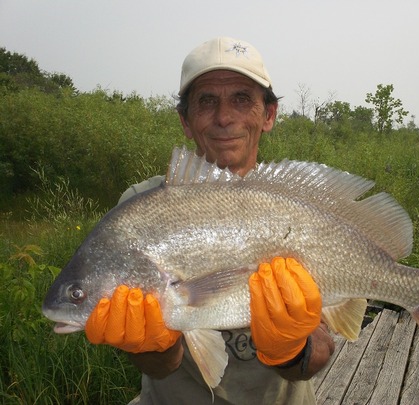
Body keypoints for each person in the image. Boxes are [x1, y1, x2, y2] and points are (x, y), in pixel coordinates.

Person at [84, 37, 335, 404]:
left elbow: (320, 351)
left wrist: (292, 350)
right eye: (206, 101)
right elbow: (160, 365)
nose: (224, 117)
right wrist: (153, 347)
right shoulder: (140, 211)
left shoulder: (302, 209)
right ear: (185, 121)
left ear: (268, 115)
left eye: (241, 98)